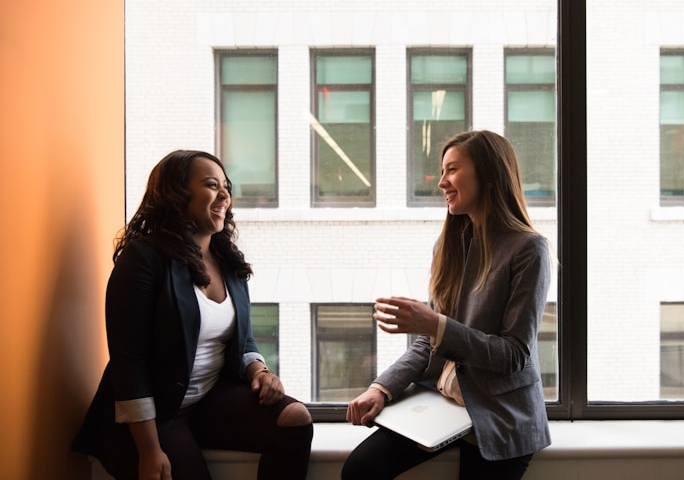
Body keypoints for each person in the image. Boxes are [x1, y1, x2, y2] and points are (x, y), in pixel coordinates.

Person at [72, 150, 313, 480]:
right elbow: (129, 364)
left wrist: (259, 370)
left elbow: (241, 338)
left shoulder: (227, 260)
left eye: (227, 186)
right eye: (212, 185)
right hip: (156, 417)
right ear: (176, 194)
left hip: (208, 400)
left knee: (295, 418)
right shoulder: (143, 259)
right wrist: (149, 451)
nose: (224, 194)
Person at [342, 130, 552, 480]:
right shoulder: (449, 244)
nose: (441, 182)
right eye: (442, 172)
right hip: (444, 405)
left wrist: (436, 325)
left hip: (499, 414)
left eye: (452, 170)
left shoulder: (529, 249)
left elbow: (514, 355)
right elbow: (428, 343)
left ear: (488, 174)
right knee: (360, 470)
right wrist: (381, 389)